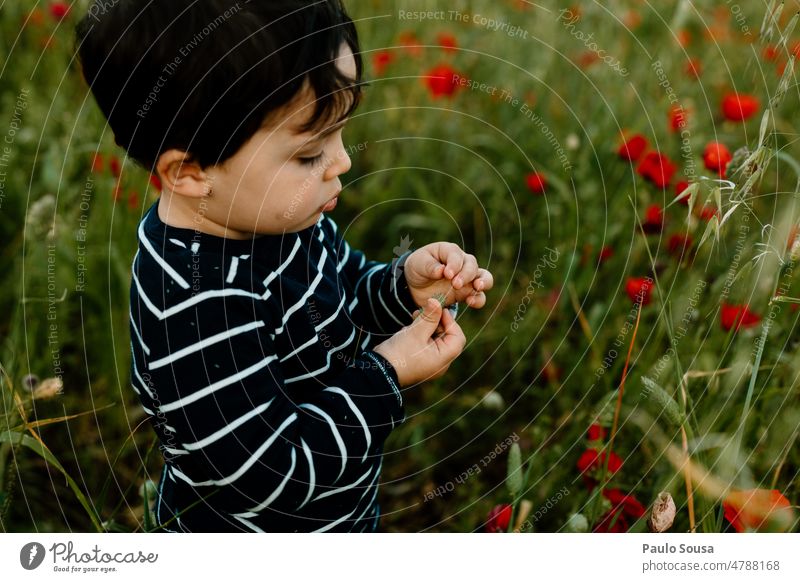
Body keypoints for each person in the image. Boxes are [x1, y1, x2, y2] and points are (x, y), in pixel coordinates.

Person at [75, 0, 493, 532]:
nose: (342, 161)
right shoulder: (195, 306)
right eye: (308, 153)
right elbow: (273, 474)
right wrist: (386, 373)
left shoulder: (285, 219)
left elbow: (339, 299)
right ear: (189, 172)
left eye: (341, 132)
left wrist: (402, 287)